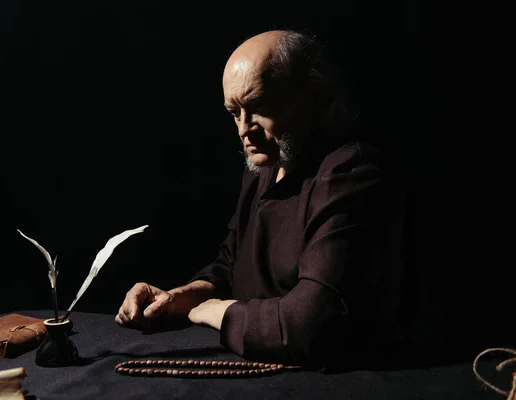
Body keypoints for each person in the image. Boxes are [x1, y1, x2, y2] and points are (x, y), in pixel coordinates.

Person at [116, 29, 404, 369]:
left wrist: (215, 311)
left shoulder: (349, 172)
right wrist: (176, 299)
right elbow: (231, 266)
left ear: (314, 95)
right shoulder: (262, 168)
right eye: (234, 112)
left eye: (258, 106)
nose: (243, 129)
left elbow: (311, 323)